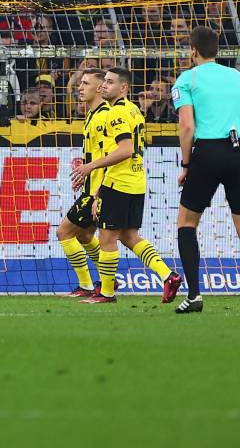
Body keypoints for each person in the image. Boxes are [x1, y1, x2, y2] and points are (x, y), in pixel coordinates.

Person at [72, 68, 182, 304]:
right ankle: (168, 275)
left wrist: (91, 167)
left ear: (123, 88)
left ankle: (106, 293)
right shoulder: (134, 110)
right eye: (104, 81)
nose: (104, 86)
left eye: (110, 82)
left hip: (119, 181)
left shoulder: (116, 112)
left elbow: (125, 150)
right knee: (129, 236)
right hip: (136, 180)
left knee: (106, 238)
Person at [172, 27, 240, 313]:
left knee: (187, 223)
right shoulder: (236, 76)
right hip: (237, 150)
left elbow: (187, 126)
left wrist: (186, 164)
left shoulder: (188, 79)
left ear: (193, 50)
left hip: (208, 152)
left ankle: (194, 296)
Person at [57, 69, 108, 297]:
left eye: (86, 83)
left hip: (98, 190)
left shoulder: (103, 117)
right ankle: (107, 281)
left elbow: (113, 156)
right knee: (85, 236)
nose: (80, 87)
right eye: (80, 83)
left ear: (99, 88)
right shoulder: (92, 115)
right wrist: (86, 174)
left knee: (64, 232)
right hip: (92, 186)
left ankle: (88, 285)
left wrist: (98, 191)